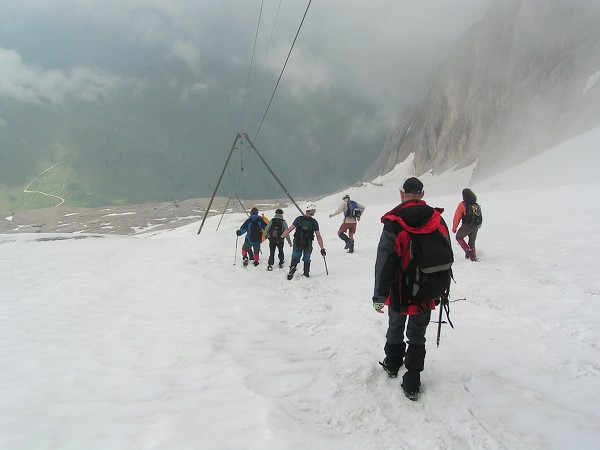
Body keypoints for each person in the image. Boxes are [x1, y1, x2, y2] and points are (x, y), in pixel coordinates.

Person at [372, 177, 452, 401]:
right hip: (427, 290)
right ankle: (412, 381)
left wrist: (379, 295)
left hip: (399, 290)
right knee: (418, 334)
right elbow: (445, 254)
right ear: (422, 194)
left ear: (402, 194)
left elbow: (384, 261)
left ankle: (393, 362)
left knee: (395, 325)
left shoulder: (394, 222)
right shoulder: (437, 219)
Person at [280, 202, 326, 280]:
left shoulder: (299, 219)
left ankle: (292, 269)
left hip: (297, 242)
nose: (314, 211)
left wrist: (281, 236)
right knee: (307, 258)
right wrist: (322, 248)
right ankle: (306, 274)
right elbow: (318, 236)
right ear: (310, 210)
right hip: (308, 243)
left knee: (295, 257)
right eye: (313, 210)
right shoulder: (314, 222)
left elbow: (290, 229)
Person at [452, 188, 481, 261]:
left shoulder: (462, 204)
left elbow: (457, 217)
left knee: (458, 237)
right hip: (475, 226)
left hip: (467, 225)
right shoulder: (475, 204)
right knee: (472, 242)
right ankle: (473, 259)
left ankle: (467, 249)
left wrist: (454, 228)